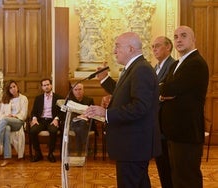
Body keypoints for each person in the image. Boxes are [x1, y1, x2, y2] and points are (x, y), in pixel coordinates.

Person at [84, 32, 161, 188]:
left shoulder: (141, 69)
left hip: (134, 146)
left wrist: (105, 113)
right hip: (131, 145)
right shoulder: (133, 68)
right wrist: (112, 102)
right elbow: (128, 97)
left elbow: (140, 107)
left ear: (131, 48)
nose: (114, 51)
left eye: (117, 46)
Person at [159, 26, 209, 188]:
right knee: (176, 178)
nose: (178, 39)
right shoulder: (176, 65)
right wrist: (164, 91)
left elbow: (169, 89)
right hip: (173, 132)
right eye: (175, 37)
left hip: (187, 132)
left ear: (193, 40)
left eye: (183, 36)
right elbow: (165, 89)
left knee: (187, 179)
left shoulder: (196, 63)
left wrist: (164, 91)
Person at [0, 80, 28, 167]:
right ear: (8, 90)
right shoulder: (6, 100)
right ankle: (7, 158)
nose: (12, 89)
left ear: (17, 87)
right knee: (6, 128)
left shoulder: (23, 98)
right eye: (10, 88)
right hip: (7, 123)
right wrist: (7, 117)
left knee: (5, 120)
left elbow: (24, 115)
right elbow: (0, 115)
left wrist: (13, 116)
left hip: (18, 122)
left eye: (14, 86)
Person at [152, 36, 175, 188]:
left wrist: (158, 95)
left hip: (166, 123)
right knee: (161, 164)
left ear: (168, 47)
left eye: (158, 46)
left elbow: (167, 91)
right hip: (156, 123)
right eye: (152, 46)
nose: (154, 49)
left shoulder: (173, 65)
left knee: (168, 165)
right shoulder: (156, 67)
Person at [29, 78, 63, 163]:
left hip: (52, 120)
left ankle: (50, 154)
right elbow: (34, 111)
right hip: (41, 120)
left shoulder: (58, 98)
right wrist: (34, 118)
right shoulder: (38, 98)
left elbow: (62, 112)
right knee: (32, 131)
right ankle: (38, 154)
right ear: (42, 87)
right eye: (44, 85)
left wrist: (56, 119)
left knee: (53, 130)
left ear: (51, 85)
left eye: (48, 85)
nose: (46, 87)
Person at [69, 83, 97, 156]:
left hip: (86, 123)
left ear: (83, 90)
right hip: (73, 123)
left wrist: (85, 116)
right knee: (80, 125)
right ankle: (86, 145)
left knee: (80, 127)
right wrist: (79, 116)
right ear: (73, 91)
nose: (78, 91)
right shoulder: (69, 101)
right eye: (76, 90)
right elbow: (66, 114)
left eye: (80, 89)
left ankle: (79, 152)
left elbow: (93, 113)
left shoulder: (89, 100)